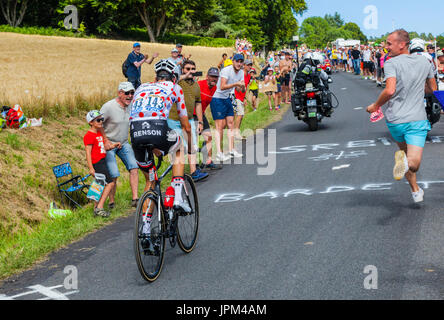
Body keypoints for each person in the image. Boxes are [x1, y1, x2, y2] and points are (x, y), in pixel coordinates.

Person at [366, 29, 437, 203]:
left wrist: (375, 106)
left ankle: (414, 190)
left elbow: (390, 90)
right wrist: (416, 90)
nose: (386, 47)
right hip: (416, 120)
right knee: (413, 163)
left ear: (402, 44)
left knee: (404, 155)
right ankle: (405, 165)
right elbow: (432, 89)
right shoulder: (424, 62)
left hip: (395, 121)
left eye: (389, 43)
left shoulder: (391, 63)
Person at [130, 59, 193, 247]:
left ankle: (146, 229)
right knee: (179, 147)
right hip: (158, 129)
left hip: (136, 134)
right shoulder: (175, 88)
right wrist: (190, 142)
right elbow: (185, 124)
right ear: (174, 77)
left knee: (150, 181)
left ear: (156, 76)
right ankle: (179, 196)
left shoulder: (141, 87)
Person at [99, 82, 140, 208]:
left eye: (132, 93)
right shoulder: (108, 107)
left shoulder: (131, 105)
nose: (130, 96)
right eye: (127, 93)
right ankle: (111, 202)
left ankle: (135, 199)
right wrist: (105, 141)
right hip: (110, 144)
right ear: (120, 93)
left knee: (134, 167)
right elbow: (97, 123)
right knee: (114, 173)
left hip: (123, 143)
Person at [167, 60, 209, 182]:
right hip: (174, 119)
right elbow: (169, 82)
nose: (191, 71)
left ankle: (193, 172)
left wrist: (200, 122)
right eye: (188, 68)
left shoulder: (196, 85)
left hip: (189, 119)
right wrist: (183, 75)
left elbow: (198, 104)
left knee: (193, 145)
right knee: (177, 148)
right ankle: (175, 175)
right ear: (182, 70)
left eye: (193, 69)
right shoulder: (177, 82)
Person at [83, 110, 119, 217]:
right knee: (110, 183)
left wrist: (114, 145)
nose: (101, 121)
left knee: (99, 184)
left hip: (102, 160)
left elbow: (103, 147)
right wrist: (91, 168)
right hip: (97, 163)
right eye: (98, 120)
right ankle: (100, 207)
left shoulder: (99, 133)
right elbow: (88, 153)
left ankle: (96, 207)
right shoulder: (89, 136)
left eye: (101, 119)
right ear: (91, 122)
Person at [210, 53, 245, 161]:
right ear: (233, 61)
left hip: (227, 98)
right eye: (237, 61)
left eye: (241, 62)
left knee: (231, 124)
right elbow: (222, 86)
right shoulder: (226, 70)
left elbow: (240, 89)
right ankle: (219, 153)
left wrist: (242, 87)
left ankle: (231, 149)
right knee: (219, 126)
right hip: (217, 98)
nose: (239, 64)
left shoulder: (241, 72)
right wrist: (236, 84)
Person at [197, 67, 222, 170]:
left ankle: (208, 161)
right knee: (193, 140)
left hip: (201, 114)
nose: (214, 79)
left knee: (209, 137)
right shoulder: (199, 85)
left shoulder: (214, 88)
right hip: (192, 114)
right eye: (212, 76)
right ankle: (194, 166)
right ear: (207, 77)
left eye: (216, 77)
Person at [233, 59, 253, 140]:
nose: (250, 66)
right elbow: (236, 86)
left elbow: (245, 87)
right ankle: (236, 133)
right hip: (236, 96)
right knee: (240, 114)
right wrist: (240, 87)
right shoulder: (239, 74)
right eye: (248, 65)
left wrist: (244, 98)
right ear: (244, 65)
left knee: (241, 115)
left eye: (251, 65)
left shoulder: (248, 76)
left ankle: (235, 132)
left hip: (241, 97)